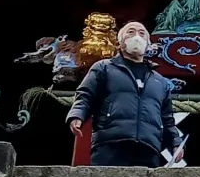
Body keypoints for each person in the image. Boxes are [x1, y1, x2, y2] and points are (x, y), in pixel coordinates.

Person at [67, 22, 184, 167]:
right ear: (120, 42)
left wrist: (175, 143)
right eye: (131, 32)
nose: (137, 37)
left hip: (148, 148)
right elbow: (85, 95)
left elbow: (166, 119)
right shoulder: (104, 68)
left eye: (142, 33)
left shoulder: (159, 81)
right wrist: (77, 115)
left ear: (148, 44)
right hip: (110, 143)